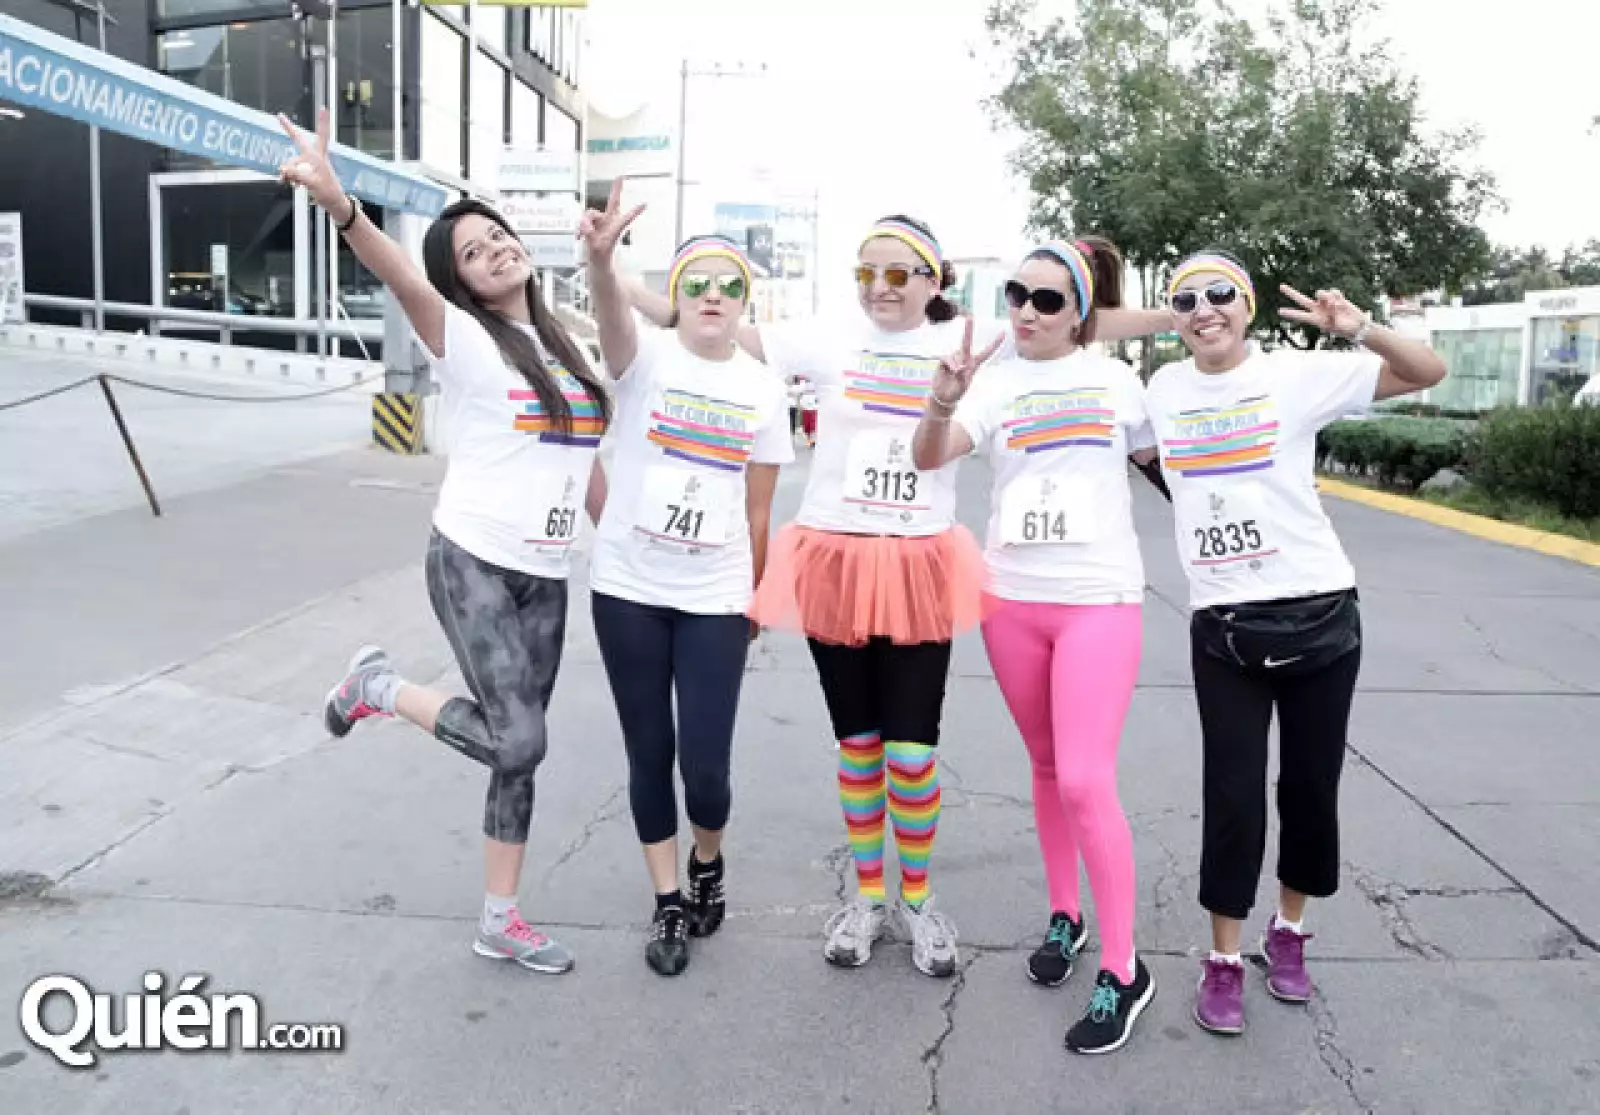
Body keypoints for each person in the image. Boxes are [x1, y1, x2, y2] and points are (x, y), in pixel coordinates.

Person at [632, 215, 1165, 978]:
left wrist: (1183, 315)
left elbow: (1071, 310)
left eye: (896, 274)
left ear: (932, 280)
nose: (879, 289)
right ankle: (869, 895)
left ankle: (917, 898)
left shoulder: (982, 338)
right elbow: (705, 319)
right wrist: (609, 277)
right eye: (866, 274)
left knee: (912, 754)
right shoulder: (826, 337)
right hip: (836, 557)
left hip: (919, 564)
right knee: (858, 747)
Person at [280, 110, 609, 973]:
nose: (495, 249)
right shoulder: (463, 339)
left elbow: (587, 463)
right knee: (521, 738)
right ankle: (378, 686)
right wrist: (342, 206)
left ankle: (501, 919)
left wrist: (617, 550)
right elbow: (396, 274)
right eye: (473, 250)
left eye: (497, 235)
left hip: (545, 572)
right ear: (459, 282)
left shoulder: (565, 346)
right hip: (474, 560)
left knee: (517, 751)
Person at [1142, 251, 1447, 1035]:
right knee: (1234, 795)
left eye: (1220, 294)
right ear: (1173, 315)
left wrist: (1362, 328)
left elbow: (1427, 371)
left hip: (1319, 613)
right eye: (1185, 299)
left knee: (1310, 789)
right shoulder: (1163, 389)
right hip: (1225, 626)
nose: (1203, 308)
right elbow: (1137, 446)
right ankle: (1221, 958)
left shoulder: (1295, 374)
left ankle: (1290, 932)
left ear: (1245, 305)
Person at [910, 239, 1157, 1054]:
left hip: (1098, 600)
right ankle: (1067, 914)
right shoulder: (997, 381)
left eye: (1048, 300)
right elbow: (928, 456)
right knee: (1048, 766)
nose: (1026, 311)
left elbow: (1177, 467)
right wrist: (942, 401)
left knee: (1087, 775)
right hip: (1011, 599)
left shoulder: (1119, 382)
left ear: (1080, 311)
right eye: (1018, 293)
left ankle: (1124, 969)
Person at [579, 186, 795, 977]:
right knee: (649, 751)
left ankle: (709, 857)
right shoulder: (644, 360)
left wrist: (758, 597)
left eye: (729, 284)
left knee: (705, 764)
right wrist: (603, 261)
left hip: (715, 594)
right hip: (629, 586)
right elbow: (608, 317)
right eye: (697, 283)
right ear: (676, 297)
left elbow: (760, 509)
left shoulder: (764, 390)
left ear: (746, 302)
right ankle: (669, 899)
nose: (713, 295)